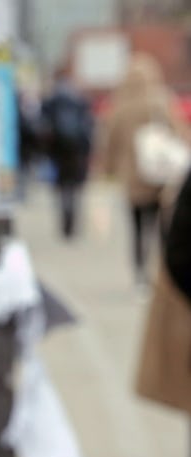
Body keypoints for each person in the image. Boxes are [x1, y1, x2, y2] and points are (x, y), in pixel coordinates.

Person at [95, 53, 189, 286]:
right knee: (162, 228)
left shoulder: (120, 106)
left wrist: (108, 170)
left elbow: (109, 142)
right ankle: (162, 274)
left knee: (137, 228)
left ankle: (139, 273)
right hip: (161, 177)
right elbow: (179, 133)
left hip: (133, 179)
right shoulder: (161, 100)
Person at [40, 67, 94, 239]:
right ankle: (72, 221)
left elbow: (42, 125)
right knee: (74, 188)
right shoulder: (79, 100)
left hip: (58, 151)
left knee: (62, 186)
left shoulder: (52, 100)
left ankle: (64, 220)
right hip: (76, 151)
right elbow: (88, 127)